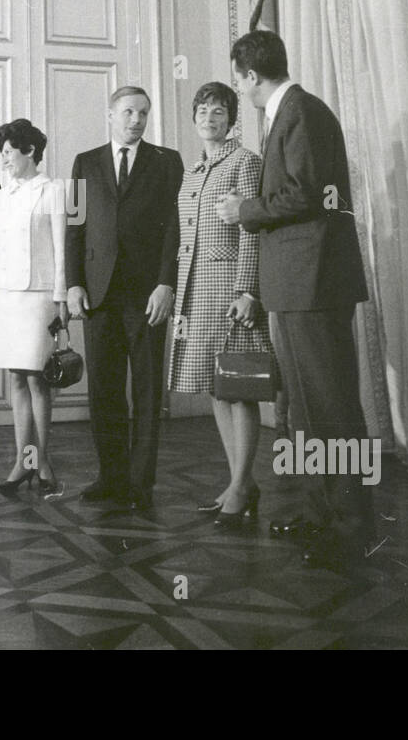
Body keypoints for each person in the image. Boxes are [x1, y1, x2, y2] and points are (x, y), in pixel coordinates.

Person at [215, 30, 373, 571]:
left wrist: (244, 210)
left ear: (252, 76)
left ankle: (350, 522)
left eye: (240, 81)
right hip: (298, 281)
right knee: (304, 408)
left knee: (328, 404)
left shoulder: (301, 112)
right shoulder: (290, 113)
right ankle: (319, 511)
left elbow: (304, 192)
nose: (241, 90)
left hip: (314, 282)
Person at [65, 86, 183, 511]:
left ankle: (140, 483)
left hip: (148, 294)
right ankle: (110, 476)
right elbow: (74, 227)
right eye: (129, 111)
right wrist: (73, 283)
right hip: (97, 294)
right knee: (104, 389)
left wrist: (166, 284)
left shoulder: (167, 162)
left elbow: (174, 226)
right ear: (110, 114)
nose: (137, 119)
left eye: (144, 113)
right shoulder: (84, 162)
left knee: (148, 391)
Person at [169, 82, 274, 529]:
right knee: (216, 387)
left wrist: (248, 290)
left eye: (218, 112)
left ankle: (242, 483)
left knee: (239, 386)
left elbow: (252, 231)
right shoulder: (192, 171)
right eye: (203, 112)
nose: (209, 119)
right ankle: (238, 483)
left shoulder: (245, 162)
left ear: (232, 119)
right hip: (195, 290)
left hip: (230, 290)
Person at [0, 119, 70, 498]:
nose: (4, 161)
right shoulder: (0, 196)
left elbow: (63, 247)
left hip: (40, 296)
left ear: (30, 151)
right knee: (16, 378)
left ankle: (41, 458)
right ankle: (23, 460)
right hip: (7, 296)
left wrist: (61, 298)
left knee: (37, 378)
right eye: (1, 154)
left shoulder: (55, 191)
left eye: (9, 153)